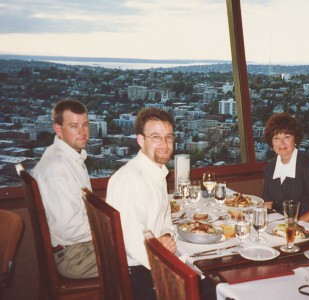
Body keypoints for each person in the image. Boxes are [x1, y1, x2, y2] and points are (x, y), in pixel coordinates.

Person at [106, 108, 215, 300]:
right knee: (216, 289)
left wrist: (166, 234)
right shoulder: (130, 179)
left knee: (213, 281)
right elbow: (132, 243)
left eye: (169, 137)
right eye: (156, 137)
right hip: (138, 274)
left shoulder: (156, 173)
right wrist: (173, 268)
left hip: (148, 262)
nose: (164, 144)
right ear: (141, 140)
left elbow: (165, 218)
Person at [31, 98, 98, 279]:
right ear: (58, 129)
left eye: (85, 125)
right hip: (74, 256)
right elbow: (69, 229)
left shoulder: (66, 156)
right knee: (142, 258)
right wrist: (111, 227)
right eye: (74, 126)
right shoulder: (57, 169)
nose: (82, 132)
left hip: (79, 246)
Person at [262, 113, 309, 230]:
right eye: (276, 138)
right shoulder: (270, 168)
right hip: (282, 227)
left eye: (286, 137)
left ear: (295, 139)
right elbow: (267, 204)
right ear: (271, 142)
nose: (281, 143)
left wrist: (291, 226)